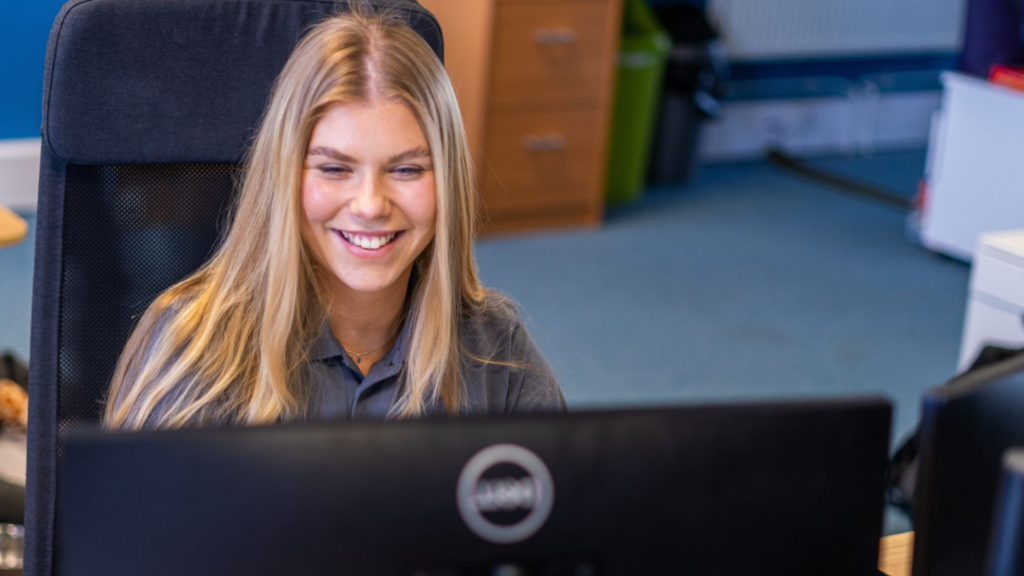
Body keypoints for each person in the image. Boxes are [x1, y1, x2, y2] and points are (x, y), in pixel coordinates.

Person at [103, 6, 566, 430]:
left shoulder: (495, 350)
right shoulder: (195, 355)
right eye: (334, 169)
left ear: (448, 181)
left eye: (406, 170)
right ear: (285, 176)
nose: (370, 205)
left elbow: (562, 490)